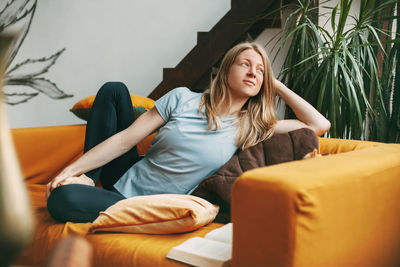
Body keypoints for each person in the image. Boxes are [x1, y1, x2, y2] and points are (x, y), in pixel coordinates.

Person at [46, 42, 330, 223]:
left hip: (148, 206)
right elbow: (124, 140)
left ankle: (87, 195)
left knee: (62, 200)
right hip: (123, 176)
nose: (254, 72)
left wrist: (275, 83)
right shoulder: (182, 98)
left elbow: (319, 125)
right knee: (113, 90)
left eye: (260, 71)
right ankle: (85, 180)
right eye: (245, 63)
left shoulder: (252, 126)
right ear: (226, 70)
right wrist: (69, 171)